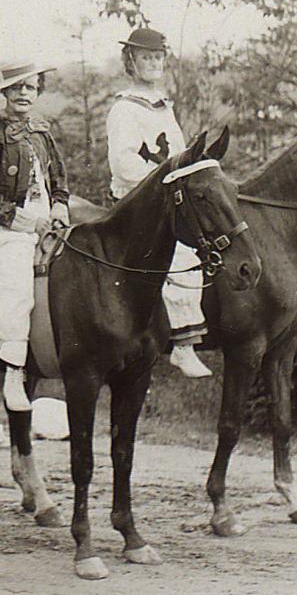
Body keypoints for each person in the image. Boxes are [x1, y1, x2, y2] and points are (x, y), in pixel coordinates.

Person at [106, 26, 214, 379]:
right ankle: (182, 344)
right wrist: (163, 183)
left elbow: (179, 154)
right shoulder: (124, 109)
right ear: (131, 62)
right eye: (145, 58)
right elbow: (123, 164)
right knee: (177, 253)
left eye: (157, 57)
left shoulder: (162, 106)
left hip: (167, 197)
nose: (152, 63)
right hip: (136, 200)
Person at [0, 63, 70, 413]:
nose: (24, 94)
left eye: (31, 87)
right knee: (14, 280)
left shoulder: (41, 132)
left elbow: (57, 175)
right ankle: (14, 370)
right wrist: (28, 223)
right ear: (5, 93)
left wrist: (60, 205)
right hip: (7, 225)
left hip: (46, 218)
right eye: (17, 88)